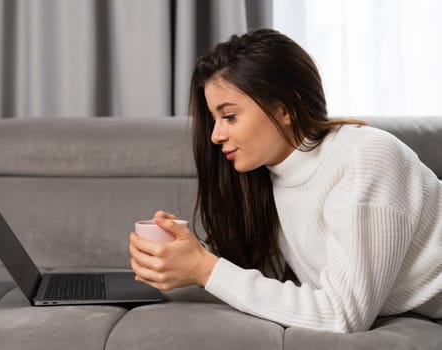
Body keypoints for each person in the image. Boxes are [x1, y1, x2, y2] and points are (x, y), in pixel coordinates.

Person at [129, 28, 442, 333]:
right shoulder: (268, 175)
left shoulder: (364, 158)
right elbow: (275, 286)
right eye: (213, 119)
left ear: (284, 109)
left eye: (230, 116)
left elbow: (343, 315)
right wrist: (187, 255)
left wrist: (205, 268)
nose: (215, 135)